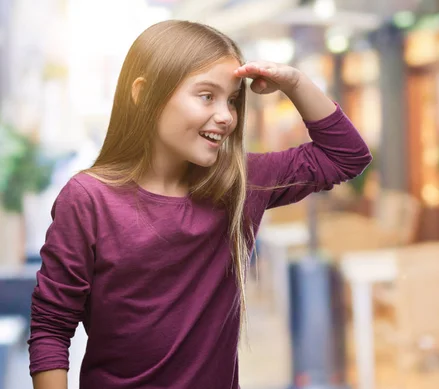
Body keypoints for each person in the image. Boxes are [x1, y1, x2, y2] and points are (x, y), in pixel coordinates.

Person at [28, 20, 372, 389]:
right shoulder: (88, 199)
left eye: (233, 99)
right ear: (144, 93)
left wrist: (295, 83)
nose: (225, 116)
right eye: (207, 96)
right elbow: (51, 327)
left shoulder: (239, 183)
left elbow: (346, 156)